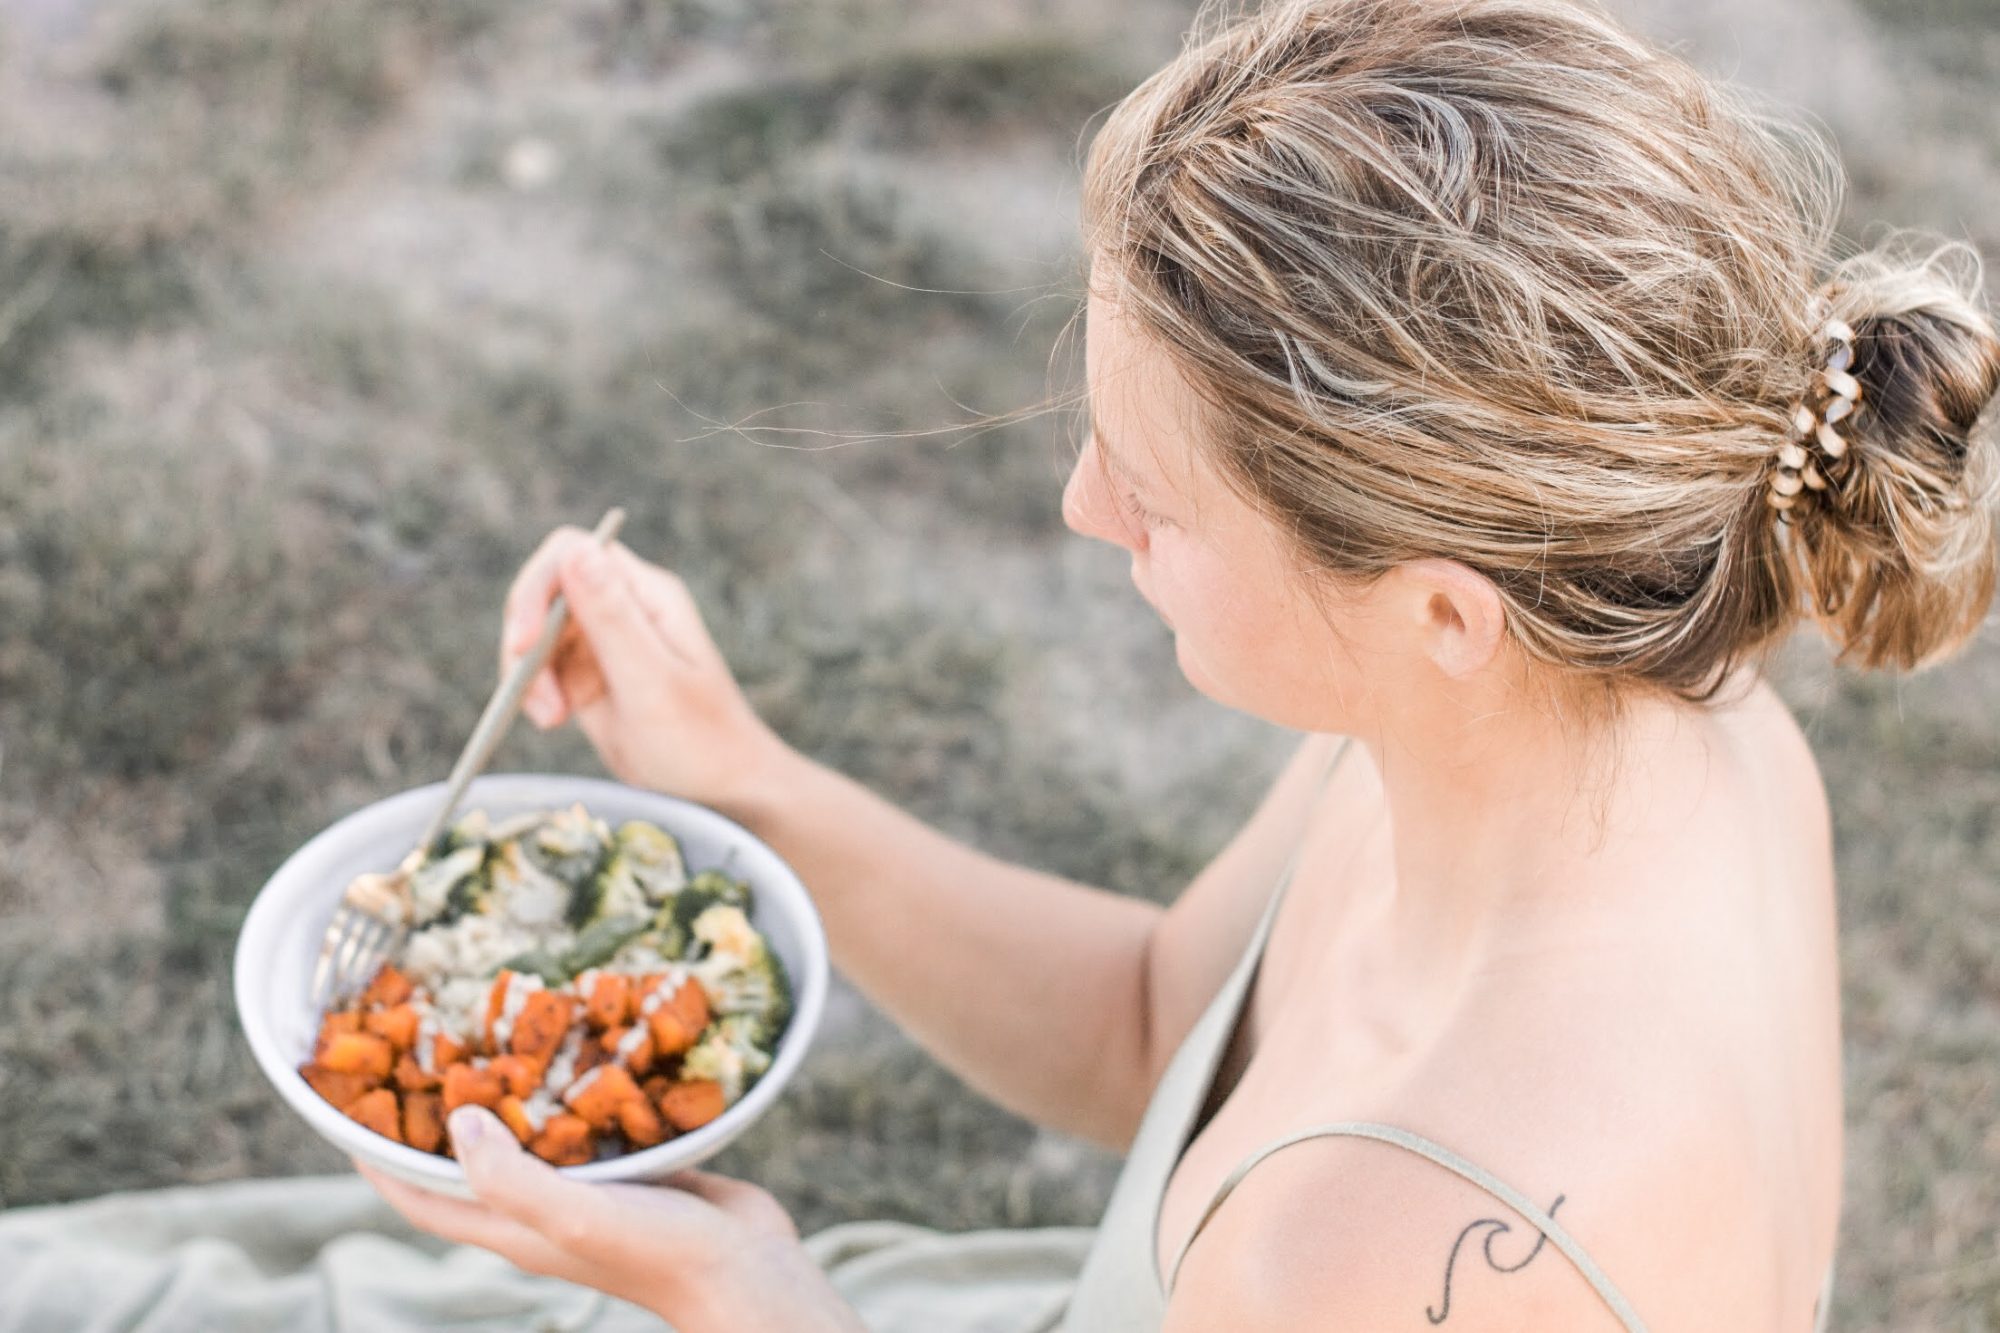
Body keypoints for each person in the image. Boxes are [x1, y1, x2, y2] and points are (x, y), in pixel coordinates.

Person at [4, 1, 1992, 1330]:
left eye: (1153, 488)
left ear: (1440, 602)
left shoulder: (1408, 1248)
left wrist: (765, 1310)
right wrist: (751, 781)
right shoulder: (1588, 709)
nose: (1075, 510)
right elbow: (1156, 1028)